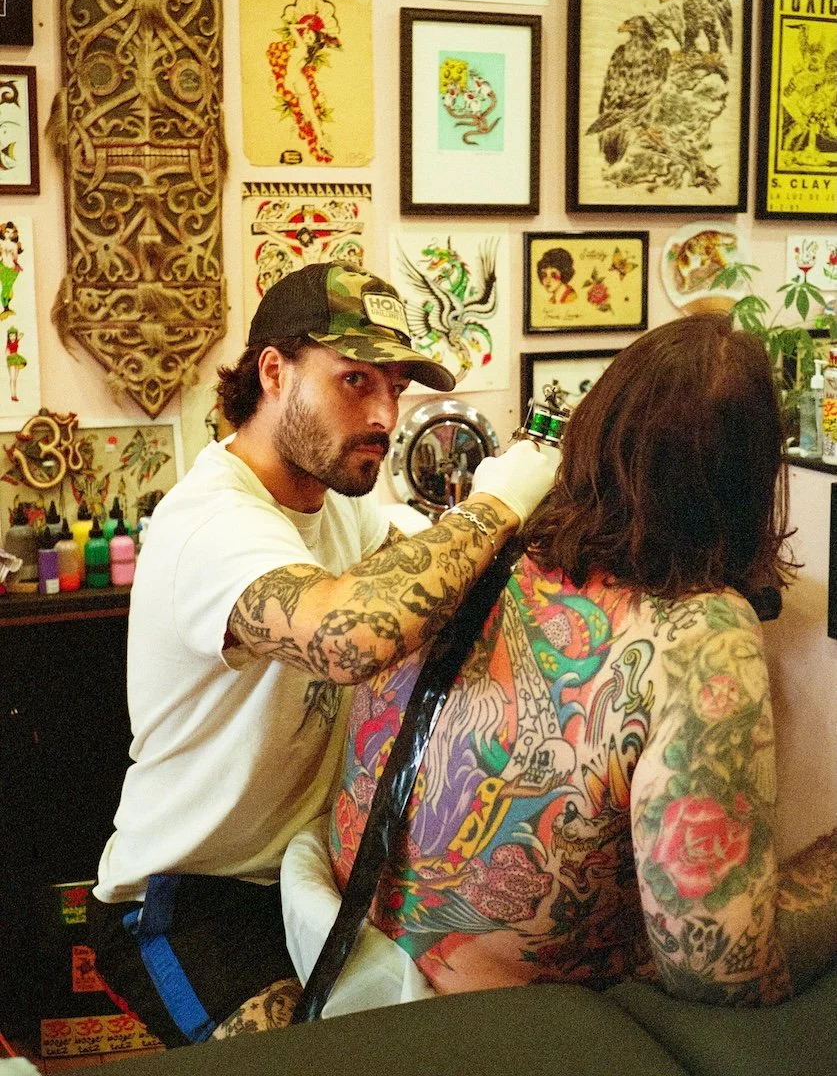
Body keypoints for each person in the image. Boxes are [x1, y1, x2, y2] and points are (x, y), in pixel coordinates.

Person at [87, 261, 557, 1046]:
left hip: (312, 870)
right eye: (354, 382)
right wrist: (496, 501)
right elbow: (353, 636)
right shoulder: (212, 522)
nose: (383, 413)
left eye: (395, 387)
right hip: (187, 896)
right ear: (274, 372)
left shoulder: (343, 505)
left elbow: (433, 581)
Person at [306, 313, 814, 1011]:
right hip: (498, 1027)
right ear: (748, 479)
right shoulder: (701, 629)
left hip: (336, 953)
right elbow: (718, 966)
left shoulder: (461, 547)